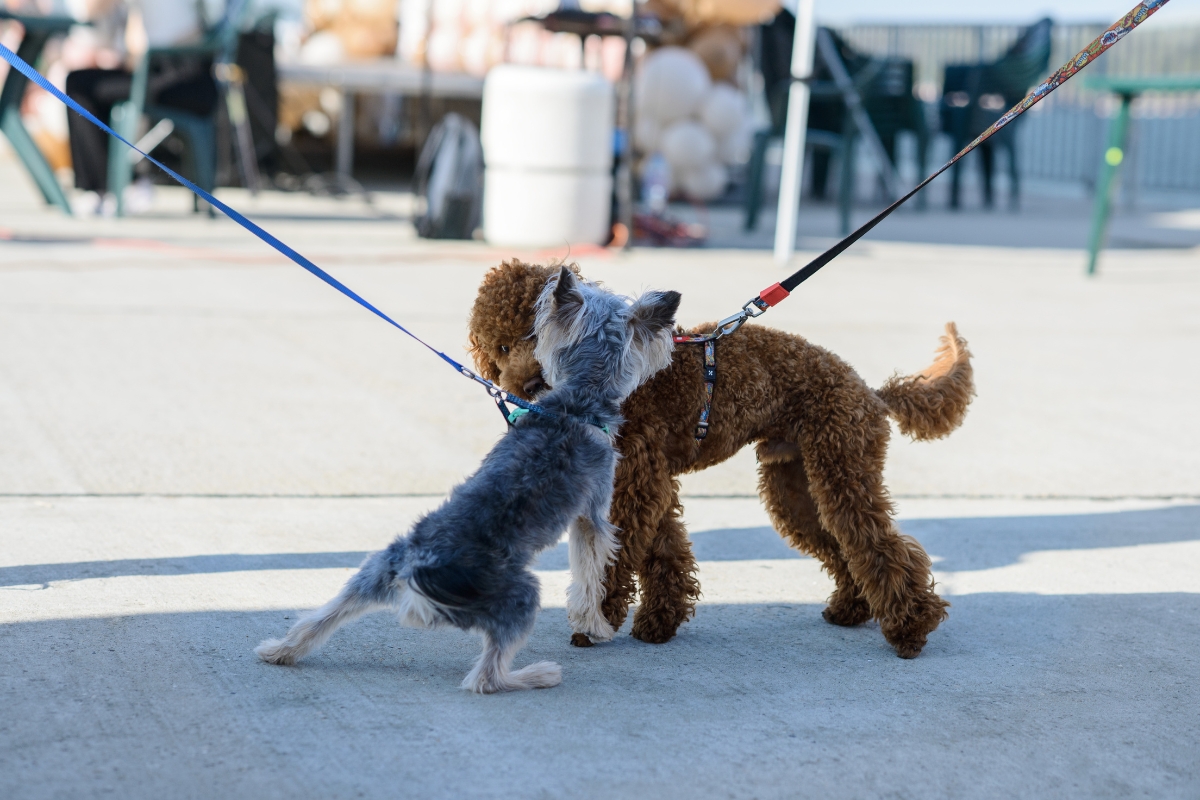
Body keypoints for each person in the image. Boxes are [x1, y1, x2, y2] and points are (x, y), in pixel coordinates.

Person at [64, 0, 221, 213]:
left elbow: (89, 14)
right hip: (181, 71)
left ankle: (109, 187)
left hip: (180, 75)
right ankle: (116, 185)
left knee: (81, 86)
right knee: (84, 84)